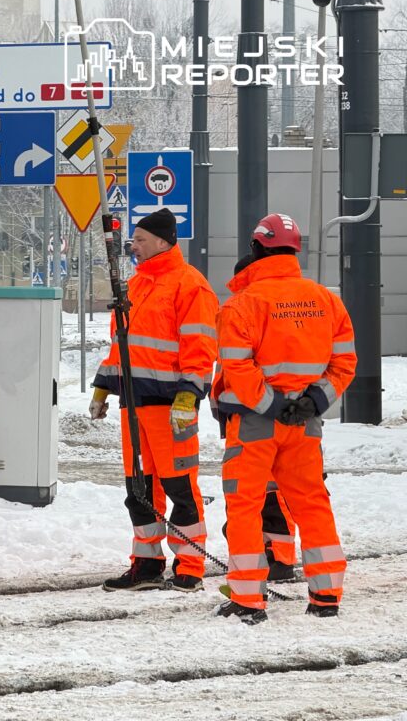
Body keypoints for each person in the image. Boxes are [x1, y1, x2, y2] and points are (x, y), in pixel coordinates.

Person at [215, 213, 355, 624]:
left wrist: (272, 406)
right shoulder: (326, 300)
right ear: (296, 250)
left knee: (246, 505)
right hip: (305, 424)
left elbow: (237, 368)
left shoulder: (242, 304)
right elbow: (344, 362)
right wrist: (312, 401)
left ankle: (248, 600)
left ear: (256, 248)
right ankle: (326, 595)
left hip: (254, 422)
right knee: (311, 503)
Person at [90, 208, 219, 593]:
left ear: (162, 242)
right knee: (139, 489)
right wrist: (103, 387)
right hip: (134, 404)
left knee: (179, 487)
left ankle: (190, 566)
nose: (134, 245)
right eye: (134, 239)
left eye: (141, 240)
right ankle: (146, 564)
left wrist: (188, 396)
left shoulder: (189, 285)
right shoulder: (136, 286)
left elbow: (200, 346)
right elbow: (123, 345)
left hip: (170, 405)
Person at [212, 254, 297, 584]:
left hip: (261, 414)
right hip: (243, 414)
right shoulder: (240, 311)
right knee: (254, 493)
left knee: (271, 491)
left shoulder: (255, 312)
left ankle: (280, 557)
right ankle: (266, 554)